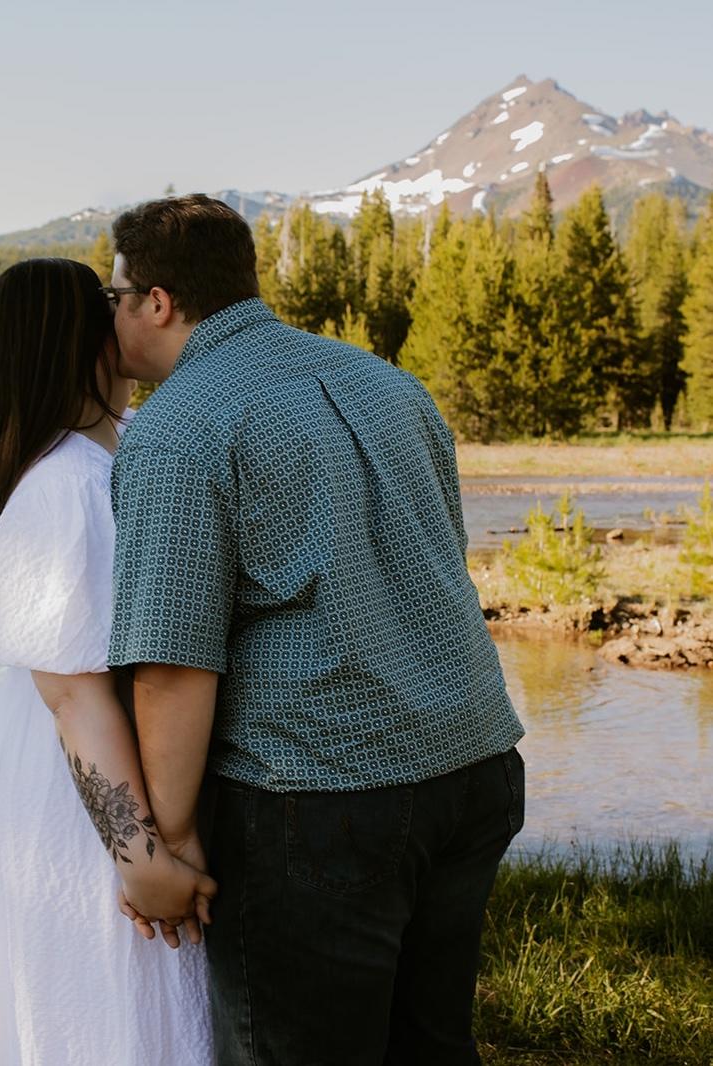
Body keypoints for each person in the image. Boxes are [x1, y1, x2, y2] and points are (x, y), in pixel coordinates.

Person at [107, 195, 527, 1065]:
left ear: (158, 302)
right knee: (432, 1046)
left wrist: (168, 845)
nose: (110, 318)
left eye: (115, 297)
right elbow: (441, 561)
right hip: (476, 764)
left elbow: (172, 666)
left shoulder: (179, 428)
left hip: (323, 795)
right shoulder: (389, 383)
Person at [0, 258, 214, 1066]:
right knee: (106, 1009)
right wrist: (142, 857)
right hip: (79, 782)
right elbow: (73, 694)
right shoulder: (65, 484)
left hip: (79, 759)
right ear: (82, 338)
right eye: (111, 306)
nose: (130, 318)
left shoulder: (104, 459)